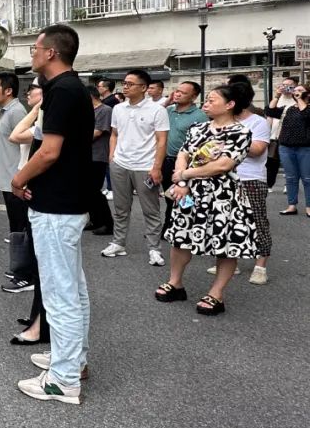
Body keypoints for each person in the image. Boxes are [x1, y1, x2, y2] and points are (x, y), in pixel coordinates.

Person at [10, 25, 93, 404]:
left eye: (35, 48)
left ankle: (63, 379)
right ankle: (72, 360)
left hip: (57, 207)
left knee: (61, 295)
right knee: (72, 289)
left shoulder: (62, 91)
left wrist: (19, 179)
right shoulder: (70, 89)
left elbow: (48, 152)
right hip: (65, 203)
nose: (32, 54)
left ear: (51, 53)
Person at [155, 85, 258, 315]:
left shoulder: (240, 132)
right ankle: (175, 283)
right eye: (207, 100)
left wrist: (184, 175)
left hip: (223, 196)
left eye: (212, 100)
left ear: (230, 105)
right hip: (189, 193)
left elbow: (223, 165)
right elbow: (183, 153)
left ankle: (216, 293)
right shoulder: (198, 127)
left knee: (226, 245)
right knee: (180, 238)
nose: (206, 104)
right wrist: (182, 182)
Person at [103, 69, 169, 265]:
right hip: (120, 164)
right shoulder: (118, 108)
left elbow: (162, 141)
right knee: (120, 208)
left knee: (151, 210)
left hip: (145, 166)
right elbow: (114, 134)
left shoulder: (157, 110)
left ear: (143, 87)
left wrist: (156, 167)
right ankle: (118, 243)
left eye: (130, 84)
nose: (125, 87)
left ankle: (154, 249)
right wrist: (112, 157)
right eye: (124, 83)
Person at [219, 79, 271, 285]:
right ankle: (232, 262)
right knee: (227, 222)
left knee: (257, 221)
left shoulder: (258, 122)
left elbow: (258, 149)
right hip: (224, 176)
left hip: (251, 178)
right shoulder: (223, 121)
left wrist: (229, 142)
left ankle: (260, 266)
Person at [7, 80, 46, 341]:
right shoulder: (39, 119)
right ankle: (37, 318)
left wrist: (36, 110)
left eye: (34, 91)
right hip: (28, 185)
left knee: (42, 260)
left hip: (32, 187)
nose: (29, 94)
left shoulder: (44, 124)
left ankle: (40, 323)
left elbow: (15, 135)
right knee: (31, 242)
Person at [0, 72, 29, 291]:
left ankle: (24, 275)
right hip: (8, 180)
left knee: (20, 228)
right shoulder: (8, 111)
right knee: (16, 227)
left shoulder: (16, 112)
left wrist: (21, 178)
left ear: (8, 91)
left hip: (15, 181)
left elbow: (26, 147)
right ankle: (18, 269)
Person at [160, 82, 207, 233]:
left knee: (184, 197)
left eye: (183, 93)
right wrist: (167, 102)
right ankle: (171, 226)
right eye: (177, 91)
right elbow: (150, 116)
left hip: (185, 163)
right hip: (166, 160)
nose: (178, 94)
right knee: (170, 196)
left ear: (193, 97)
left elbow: (203, 144)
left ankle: (185, 227)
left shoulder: (200, 116)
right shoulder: (168, 110)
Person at [266, 81, 310, 216]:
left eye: (300, 90)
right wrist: (277, 96)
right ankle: (292, 206)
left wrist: (299, 99)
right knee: (290, 178)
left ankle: (309, 207)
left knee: (307, 178)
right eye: (295, 90)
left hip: (305, 148)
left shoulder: (308, 108)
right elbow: (270, 111)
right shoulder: (288, 108)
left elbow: (306, 115)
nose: (296, 92)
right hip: (286, 147)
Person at [85, 86, 113, 236]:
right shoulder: (87, 111)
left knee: (95, 190)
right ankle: (95, 220)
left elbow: (97, 132)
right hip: (86, 155)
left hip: (98, 155)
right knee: (87, 191)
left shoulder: (105, 110)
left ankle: (107, 223)